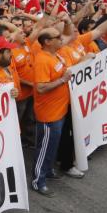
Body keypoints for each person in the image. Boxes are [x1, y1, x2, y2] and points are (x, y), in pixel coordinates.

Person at [30, 28, 71, 197]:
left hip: (59, 110)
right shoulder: (42, 60)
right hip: (48, 114)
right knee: (45, 147)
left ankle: (47, 170)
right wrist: (63, 80)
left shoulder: (57, 55)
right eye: (58, 37)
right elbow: (40, 87)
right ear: (47, 42)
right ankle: (38, 180)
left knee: (52, 146)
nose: (62, 39)